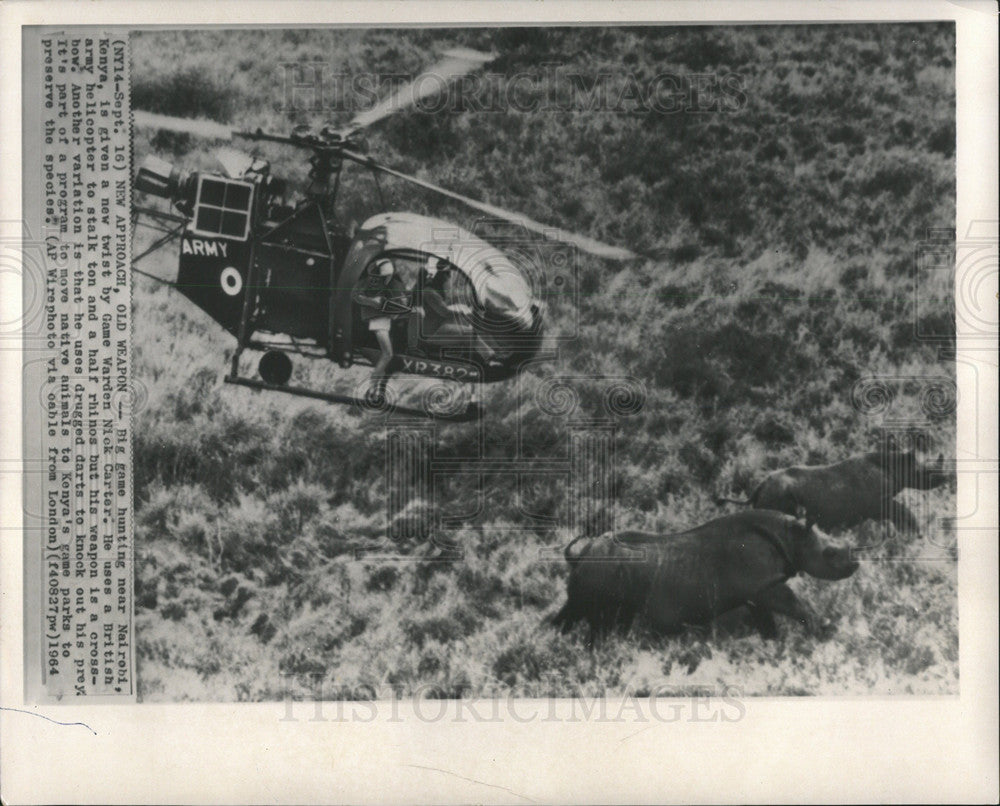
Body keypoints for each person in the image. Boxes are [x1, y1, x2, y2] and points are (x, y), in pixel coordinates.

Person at [352, 257, 409, 403]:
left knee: (390, 355)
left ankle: (378, 391)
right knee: (387, 354)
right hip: (379, 320)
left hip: (387, 320)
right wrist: (374, 302)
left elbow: (401, 302)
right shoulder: (371, 283)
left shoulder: (391, 284)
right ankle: (372, 390)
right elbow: (356, 295)